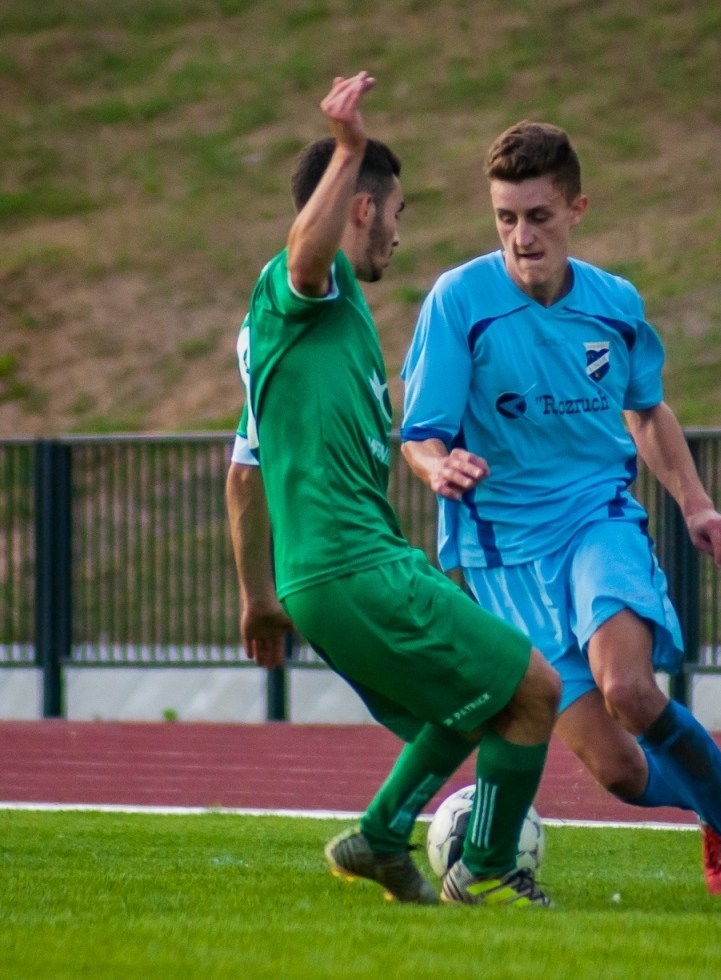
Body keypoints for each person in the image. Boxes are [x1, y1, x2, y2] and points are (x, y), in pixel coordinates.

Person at [398, 120, 721, 900]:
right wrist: (437, 465)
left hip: (597, 522)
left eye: (538, 216)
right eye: (505, 218)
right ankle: (713, 809)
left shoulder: (614, 304)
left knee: (631, 693)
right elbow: (420, 433)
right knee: (619, 771)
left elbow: (645, 411)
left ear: (576, 209)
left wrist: (697, 507)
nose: (522, 237)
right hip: (504, 558)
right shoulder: (460, 301)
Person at [224, 76, 561, 908]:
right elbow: (305, 256)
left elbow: (243, 474)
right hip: (353, 566)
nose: (401, 234)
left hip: (322, 581)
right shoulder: (305, 290)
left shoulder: (294, 341)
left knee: (467, 706)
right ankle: (488, 875)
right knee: (534, 691)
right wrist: (349, 147)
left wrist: (260, 599)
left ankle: (380, 838)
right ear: (363, 209)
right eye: (398, 213)